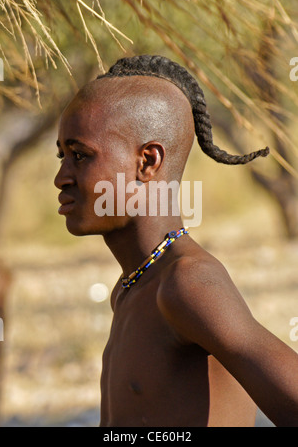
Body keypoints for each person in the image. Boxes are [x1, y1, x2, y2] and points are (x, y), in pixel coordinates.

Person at [54, 55, 298, 427]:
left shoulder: (187, 283)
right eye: (61, 155)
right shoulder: (131, 286)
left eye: (80, 155)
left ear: (148, 162)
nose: (60, 177)